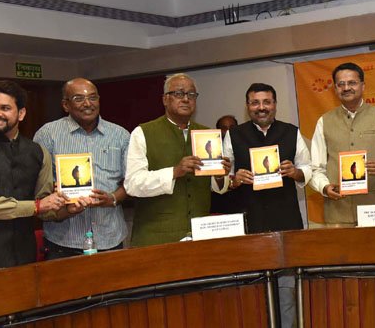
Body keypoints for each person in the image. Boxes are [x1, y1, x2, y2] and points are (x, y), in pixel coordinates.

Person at [0, 81, 72, 271]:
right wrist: (36, 206)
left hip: (25, 256)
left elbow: (44, 204)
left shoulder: (39, 152)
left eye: (5, 108)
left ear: (21, 113)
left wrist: (68, 208)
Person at [124, 73, 229, 246]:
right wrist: (174, 172)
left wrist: (219, 175)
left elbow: (216, 188)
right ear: (165, 99)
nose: (186, 99)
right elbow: (132, 184)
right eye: (179, 94)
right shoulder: (143, 133)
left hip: (201, 235)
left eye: (191, 94)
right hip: (157, 238)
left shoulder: (206, 134)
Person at [33, 78, 130, 259]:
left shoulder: (120, 135)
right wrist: (58, 197)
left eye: (93, 98)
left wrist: (113, 199)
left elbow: (132, 182)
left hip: (110, 237)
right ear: (65, 105)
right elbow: (39, 187)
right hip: (64, 239)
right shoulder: (48, 134)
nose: (87, 104)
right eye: (78, 98)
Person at [309, 62, 375, 227]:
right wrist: (324, 187)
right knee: (341, 254)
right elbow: (315, 168)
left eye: (352, 83)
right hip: (338, 214)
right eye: (341, 84)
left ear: (363, 86)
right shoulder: (324, 121)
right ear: (335, 89)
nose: (346, 87)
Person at [223, 83, 311, 233]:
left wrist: (295, 172)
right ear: (247, 106)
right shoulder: (234, 135)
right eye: (255, 103)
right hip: (250, 218)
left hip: (287, 217)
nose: (261, 108)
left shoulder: (291, 132)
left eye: (267, 102)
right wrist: (234, 180)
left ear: (275, 104)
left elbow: (307, 168)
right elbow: (223, 177)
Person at [211, 115, 245, 214]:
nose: (228, 131)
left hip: (239, 199)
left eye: (232, 128)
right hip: (218, 199)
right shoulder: (211, 152)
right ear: (218, 130)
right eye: (224, 128)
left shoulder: (243, 149)